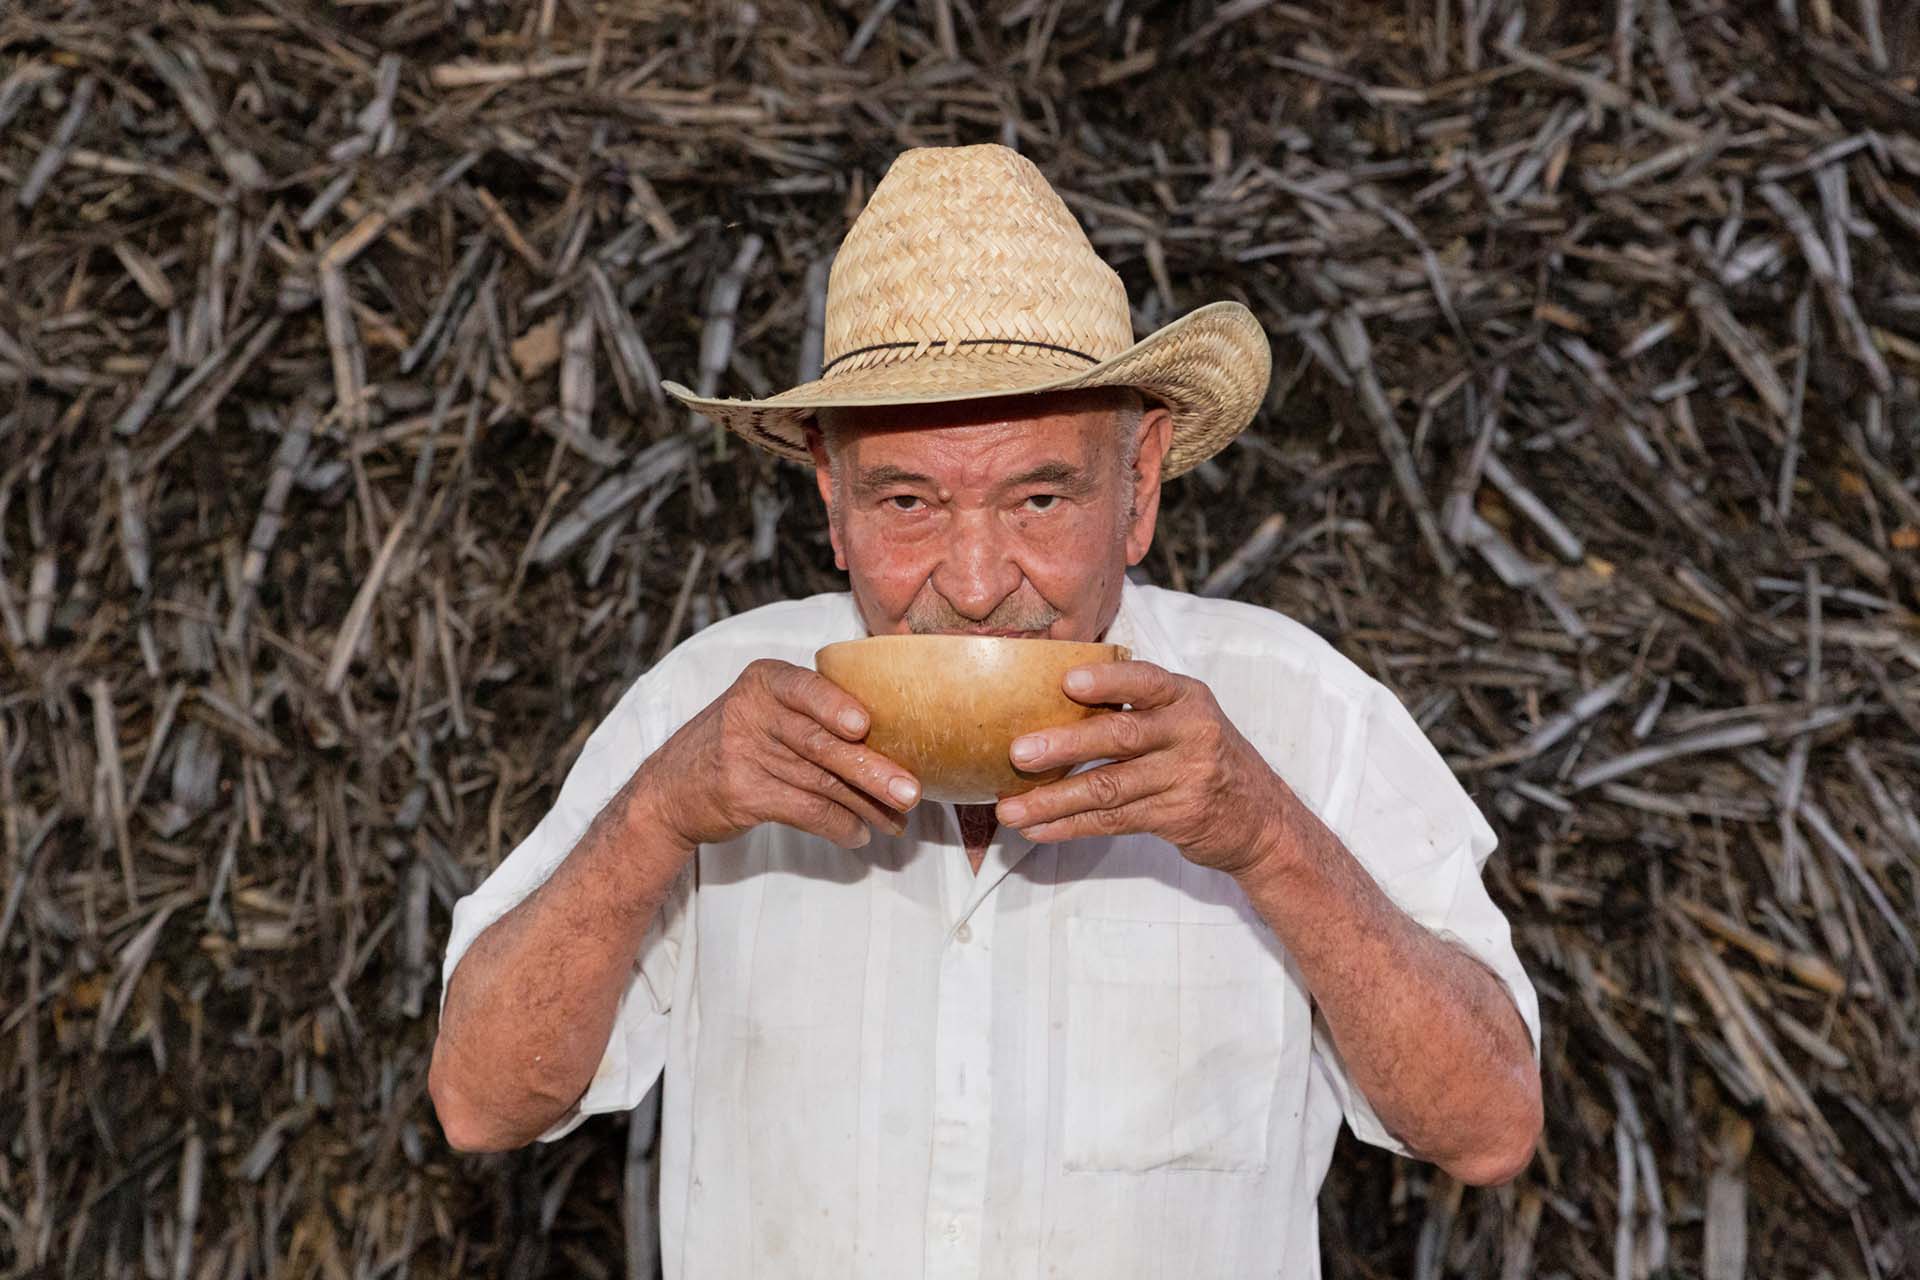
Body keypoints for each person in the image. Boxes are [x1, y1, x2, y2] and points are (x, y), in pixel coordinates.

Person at [429, 144, 1541, 1277]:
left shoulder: (1297, 714)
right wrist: (656, 818)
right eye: (906, 500)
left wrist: (1266, 838)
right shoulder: (709, 712)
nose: (972, 579)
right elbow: (479, 1101)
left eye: (1040, 496)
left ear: (1140, 483)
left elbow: (1491, 1126)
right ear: (830, 494)